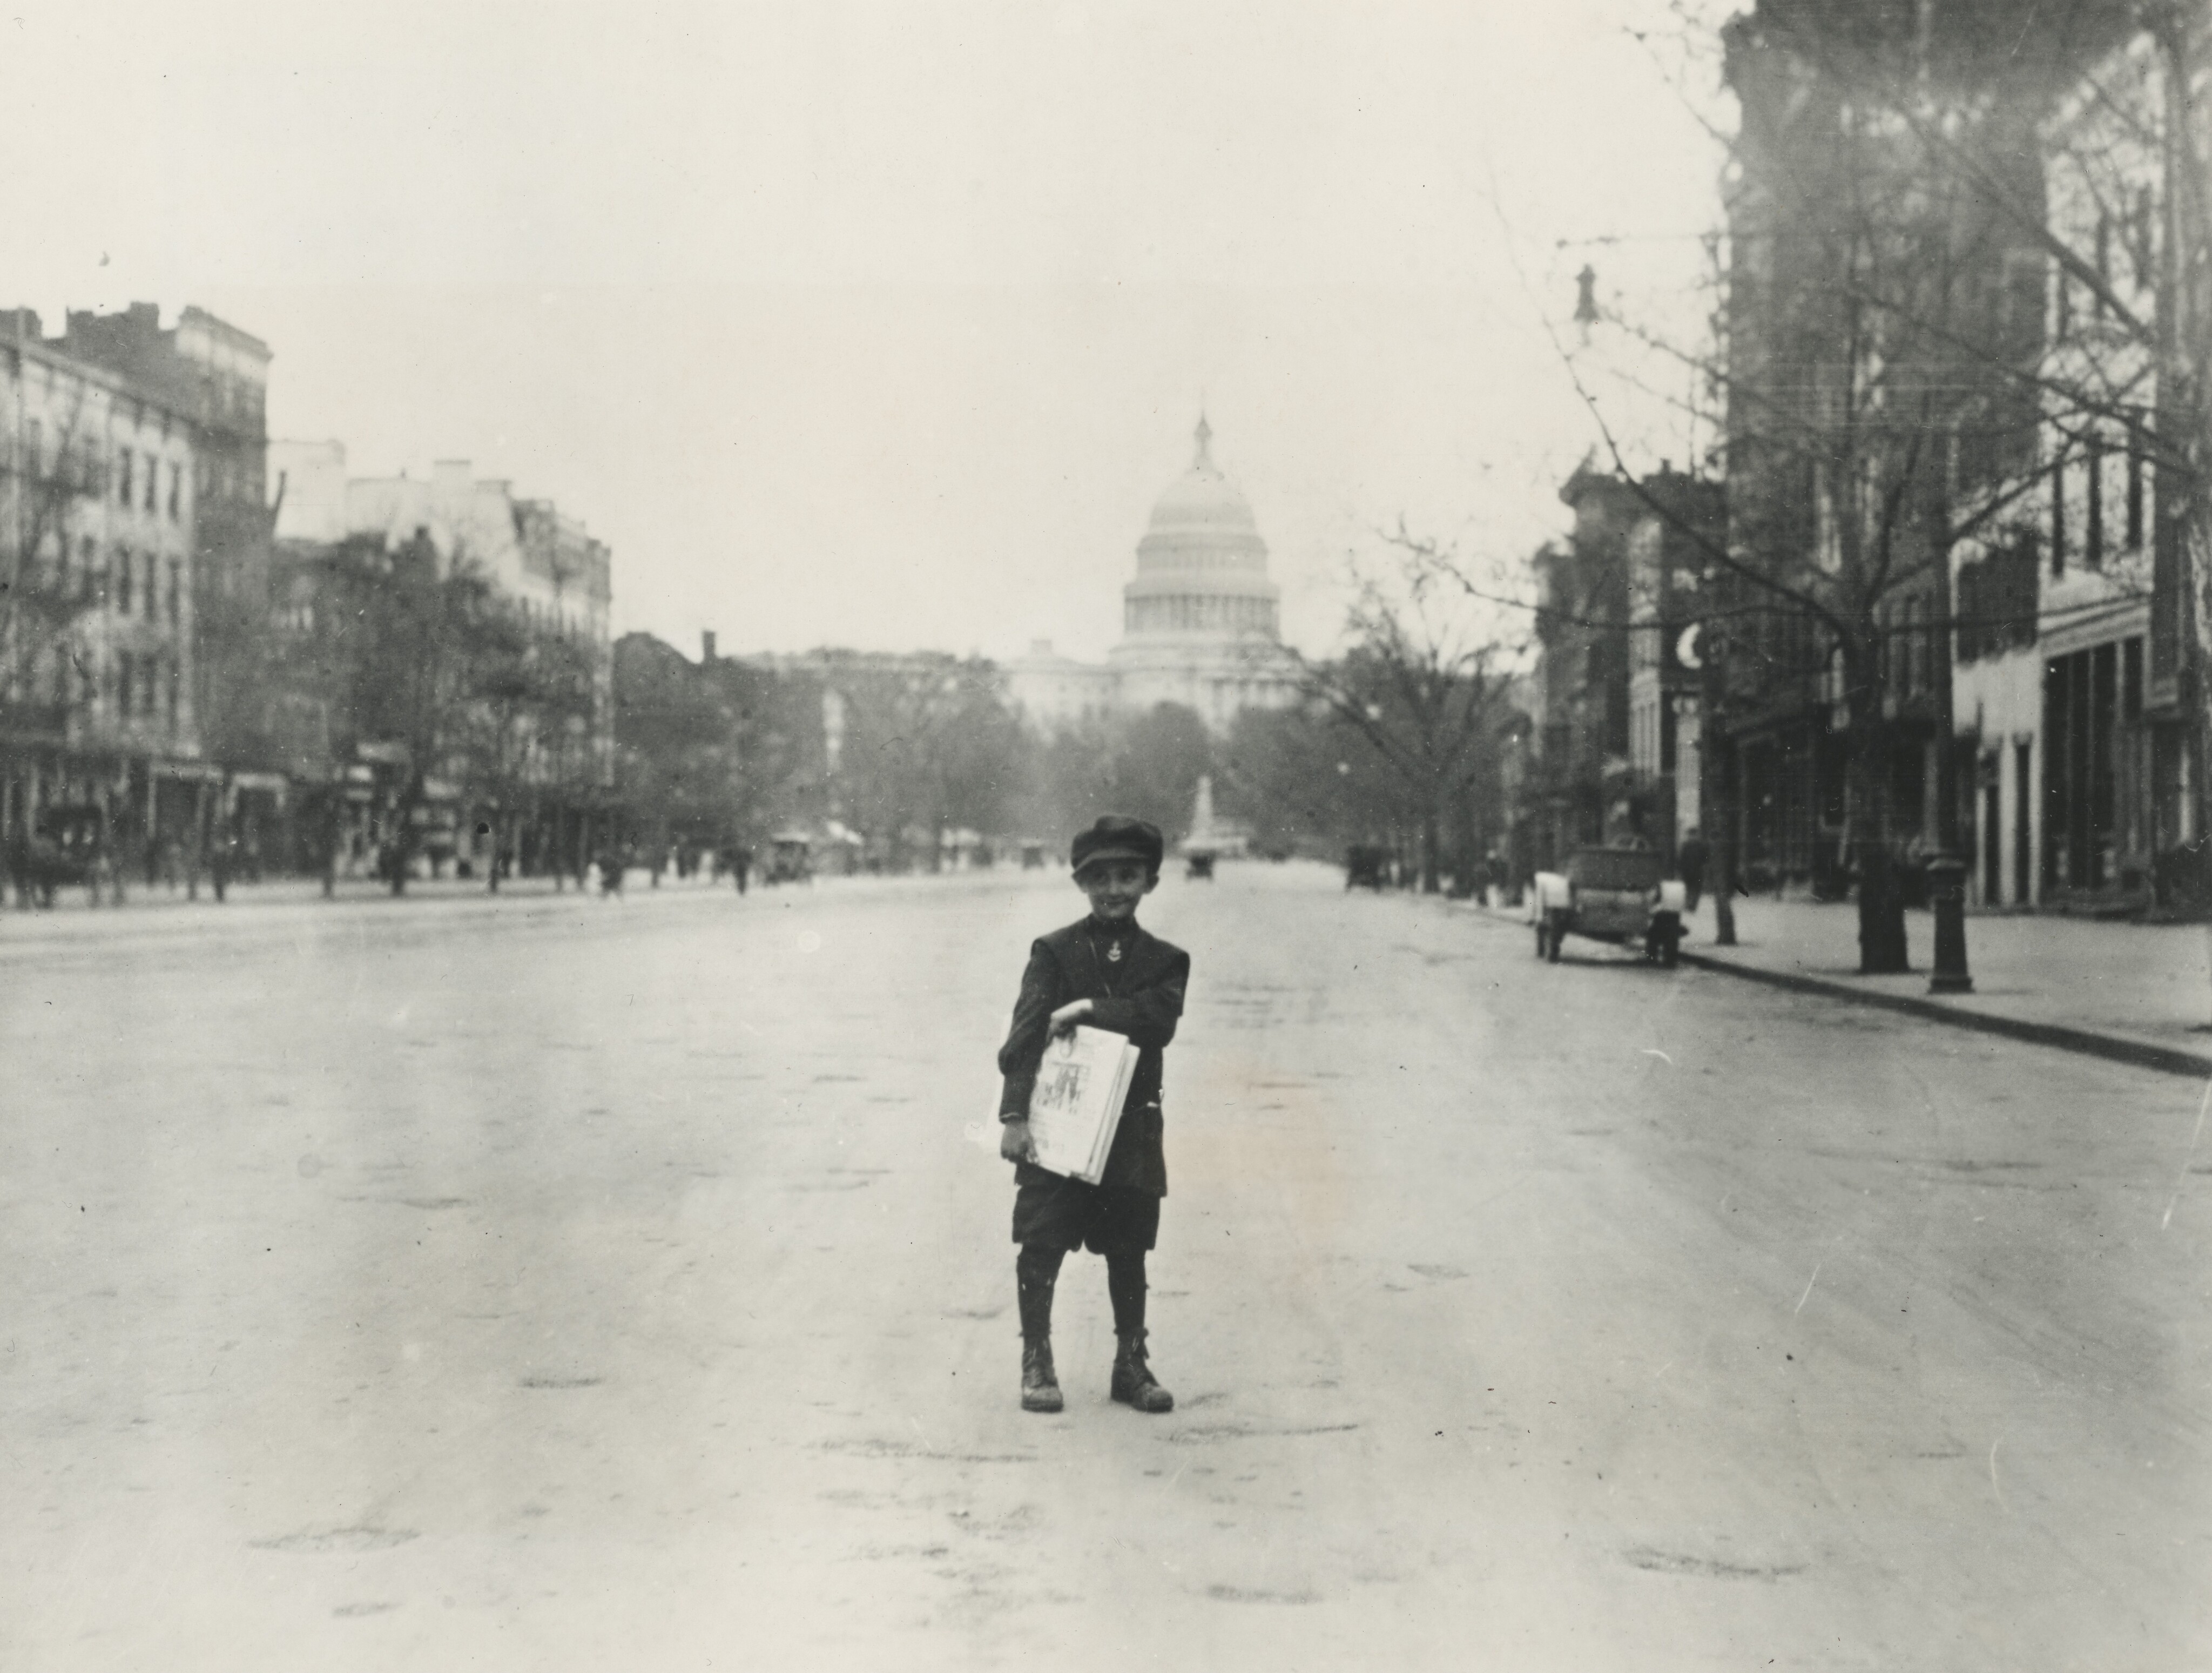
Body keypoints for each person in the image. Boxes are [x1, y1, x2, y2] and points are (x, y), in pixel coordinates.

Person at [997, 815, 1190, 1417]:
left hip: (1130, 1127)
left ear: (1150, 882)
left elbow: (1157, 1021)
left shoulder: (1166, 960)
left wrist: (1087, 1009)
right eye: (1100, 878)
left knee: (1129, 1245)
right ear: (1081, 883)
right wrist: (1014, 1115)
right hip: (1057, 1122)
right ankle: (1037, 1359)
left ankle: (1131, 1363)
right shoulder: (1053, 952)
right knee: (1041, 1239)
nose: (1114, 889)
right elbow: (1024, 1037)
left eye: (1128, 876)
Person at [1678, 827, 1709, 914]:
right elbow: (1682, 859)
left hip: (1698, 871)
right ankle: (1688, 904)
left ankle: (1693, 906)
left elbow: (1705, 859)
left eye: (1694, 835)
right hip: (1687, 871)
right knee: (1688, 888)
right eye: (1691, 835)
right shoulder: (1686, 846)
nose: (1693, 837)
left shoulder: (1701, 846)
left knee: (1696, 889)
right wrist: (1681, 869)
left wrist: (1704, 868)